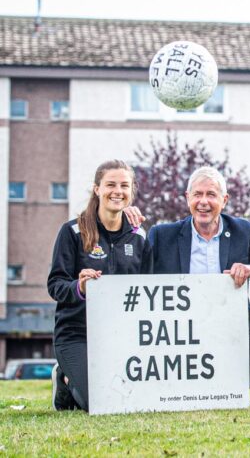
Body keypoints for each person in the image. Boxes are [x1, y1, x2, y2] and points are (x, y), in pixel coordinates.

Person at [148, 166, 250, 387]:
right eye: (197, 194)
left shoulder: (243, 231)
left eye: (211, 194)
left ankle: (225, 385)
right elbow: (135, 277)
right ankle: (185, 386)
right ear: (187, 198)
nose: (203, 201)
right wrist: (130, 228)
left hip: (232, 323)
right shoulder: (162, 235)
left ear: (224, 199)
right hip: (180, 329)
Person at [48, 159, 152, 412]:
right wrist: (79, 288)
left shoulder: (139, 236)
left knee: (133, 398)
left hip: (121, 336)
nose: (118, 191)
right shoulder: (73, 231)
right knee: (99, 402)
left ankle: (71, 379)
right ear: (97, 189)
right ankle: (64, 377)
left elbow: (148, 287)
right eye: (111, 185)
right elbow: (55, 285)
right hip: (77, 333)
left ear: (131, 192)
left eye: (124, 185)